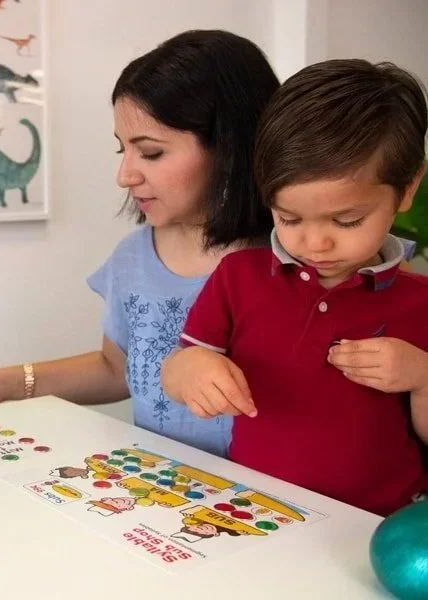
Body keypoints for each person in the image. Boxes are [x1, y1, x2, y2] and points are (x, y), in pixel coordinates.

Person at [0, 30, 280, 458]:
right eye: (122, 151)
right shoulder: (133, 258)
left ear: (230, 147)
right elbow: (117, 369)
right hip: (171, 503)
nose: (125, 175)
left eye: (150, 153)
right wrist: (10, 383)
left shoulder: (295, 261)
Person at [161, 59, 428, 516]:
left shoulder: (419, 300)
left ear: (407, 189)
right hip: (260, 510)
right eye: (289, 219)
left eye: (348, 221)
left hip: (379, 523)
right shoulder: (239, 277)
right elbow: (177, 366)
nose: (316, 242)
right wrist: (190, 372)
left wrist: (422, 376)